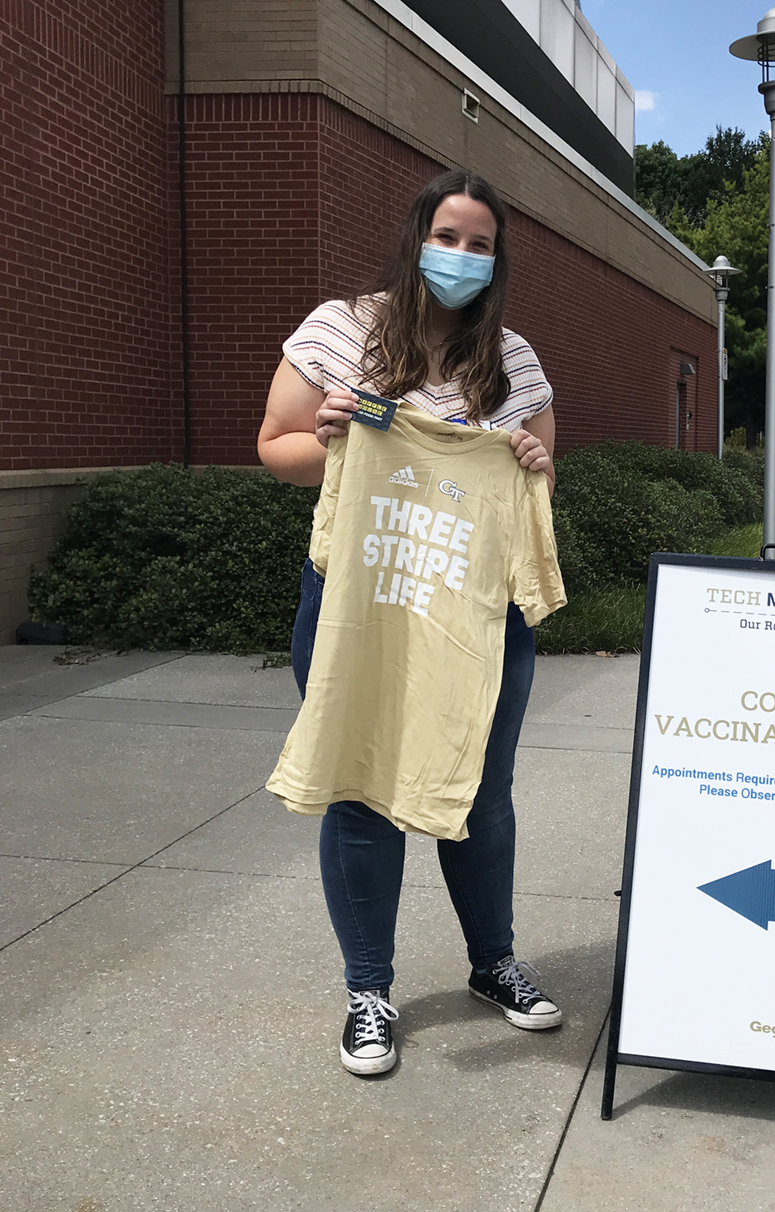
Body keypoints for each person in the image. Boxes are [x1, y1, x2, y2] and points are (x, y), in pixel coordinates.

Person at [257, 170, 561, 1077]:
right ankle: (368, 992)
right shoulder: (341, 330)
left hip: (477, 607)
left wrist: (537, 463)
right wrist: (335, 433)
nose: (462, 256)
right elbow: (277, 447)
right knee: (360, 784)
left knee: (479, 789)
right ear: (416, 236)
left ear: (498, 259)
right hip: (363, 597)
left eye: (480, 244)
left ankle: (491, 963)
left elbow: (539, 485)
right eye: (449, 236)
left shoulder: (515, 362)